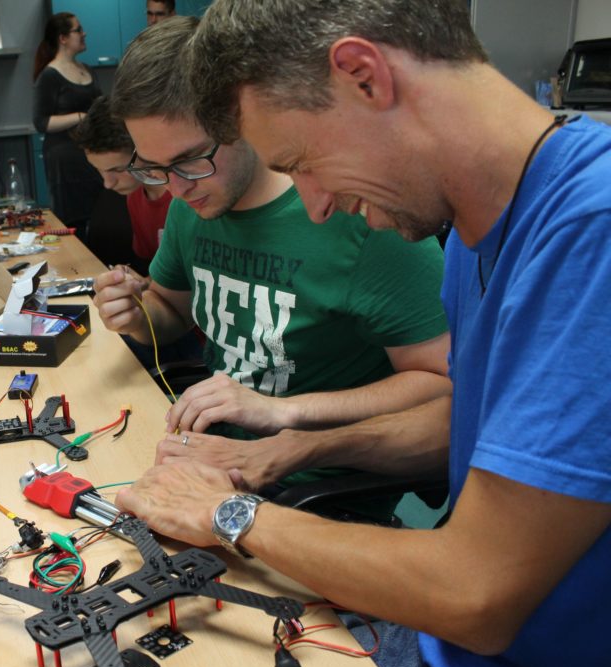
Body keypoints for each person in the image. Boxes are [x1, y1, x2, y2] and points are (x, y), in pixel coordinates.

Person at [117, 2, 611, 667]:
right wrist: (293, 445)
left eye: (303, 162)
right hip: (442, 639)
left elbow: (477, 594)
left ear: (363, 75)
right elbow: (465, 430)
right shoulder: (478, 225)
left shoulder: (593, 234)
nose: (313, 203)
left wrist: (228, 512)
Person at [99, 17, 451, 520]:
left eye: (191, 160)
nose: (175, 188)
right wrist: (135, 313)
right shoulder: (192, 203)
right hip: (205, 458)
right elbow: (169, 312)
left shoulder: (359, 213)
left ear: (242, 119)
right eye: (153, 168)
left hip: (311, 496)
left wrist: (282, 412)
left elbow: (442, 386)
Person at [73, 95, 171, 274]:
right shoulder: (135, 197)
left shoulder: (185, 197)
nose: (108, 184)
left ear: (144, 150)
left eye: (117, 169)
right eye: (99, 170)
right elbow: (156, 276)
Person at [32, 13, 104, 231]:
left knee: (100, 213)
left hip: (91, 152)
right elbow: (41, 122)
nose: (84, 34)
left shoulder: (87, 69)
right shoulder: (49, 75)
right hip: (65, 161)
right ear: (63, 38)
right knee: (76, 220)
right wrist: (82, 117)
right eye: (78, 30)